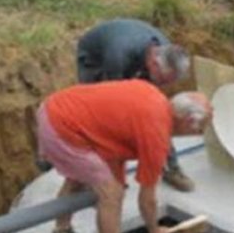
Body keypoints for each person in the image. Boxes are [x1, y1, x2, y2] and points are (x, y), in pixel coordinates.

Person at [36, 80, 212, 233]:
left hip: (55, 108)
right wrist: (154, 230)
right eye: (201, 128)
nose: (199, 133)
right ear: (188, 121)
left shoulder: (154, 97)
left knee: (78, 180)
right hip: (63, 127)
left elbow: (114, 134)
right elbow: (147, 200)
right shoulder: (156, 135)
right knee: (112, 195)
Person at [74, 18, 197, 191]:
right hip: (95, 58)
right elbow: (112, 106)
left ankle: (172, 168)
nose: (162, 85)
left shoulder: (166, 51)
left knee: (156, 111)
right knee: (97, 114)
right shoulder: (118, 55)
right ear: (154, 64)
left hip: (131, 52)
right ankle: (90, 174)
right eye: (161, 80)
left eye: (167, 82)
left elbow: (156, 113)